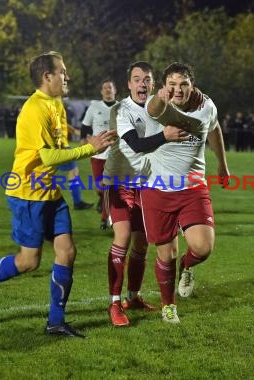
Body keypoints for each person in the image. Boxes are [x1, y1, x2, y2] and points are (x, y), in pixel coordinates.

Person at [0, 51, 116, 338]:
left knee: (67, 251)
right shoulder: (34, 109)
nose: (67, 76)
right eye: (62, 71)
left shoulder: (55, 105)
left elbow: (61, 148)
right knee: (29, 261)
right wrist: (90, 148)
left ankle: (56, 321)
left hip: (50, 193)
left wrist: (87, 144)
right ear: (47, 76)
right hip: (28, 194)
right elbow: (48, 156)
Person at [102, 61, 189, 326]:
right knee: (124, 237)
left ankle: (133, 296)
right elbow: (137, 145)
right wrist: (165, 135)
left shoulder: (158, 106)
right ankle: (115, 304)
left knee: (141, 244)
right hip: (119, 180)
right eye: (137, 79)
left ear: (153, 84)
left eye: (147, 79)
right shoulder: (121, 109)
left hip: (147, 184)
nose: (142, 84)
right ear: (129, 84)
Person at [144, 62, 230, 323]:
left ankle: (188, 265)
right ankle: (168, 306)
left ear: (193, 86)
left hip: (193, 187)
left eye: (183, 84)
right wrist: (162, 98)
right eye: (172, 85)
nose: (177, 90)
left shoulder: (207, 106)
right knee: (166, 254)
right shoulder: (158, 104)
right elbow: (154, 110)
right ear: (164, 86)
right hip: (158, 189)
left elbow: (213, 129)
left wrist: (222, 165)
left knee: (203, 247)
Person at [81, 79, 118, 229]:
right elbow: (85, 126)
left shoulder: (121, 107)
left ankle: (105, 218)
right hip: (97, 154)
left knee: (109, 187)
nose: (108, 90)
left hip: (115, 154)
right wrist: (85, 138)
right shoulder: (94, 106)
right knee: (100, 188)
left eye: (110, 87)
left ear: (115, 90)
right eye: (105, 88)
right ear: (101, 92)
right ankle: (101, 201)